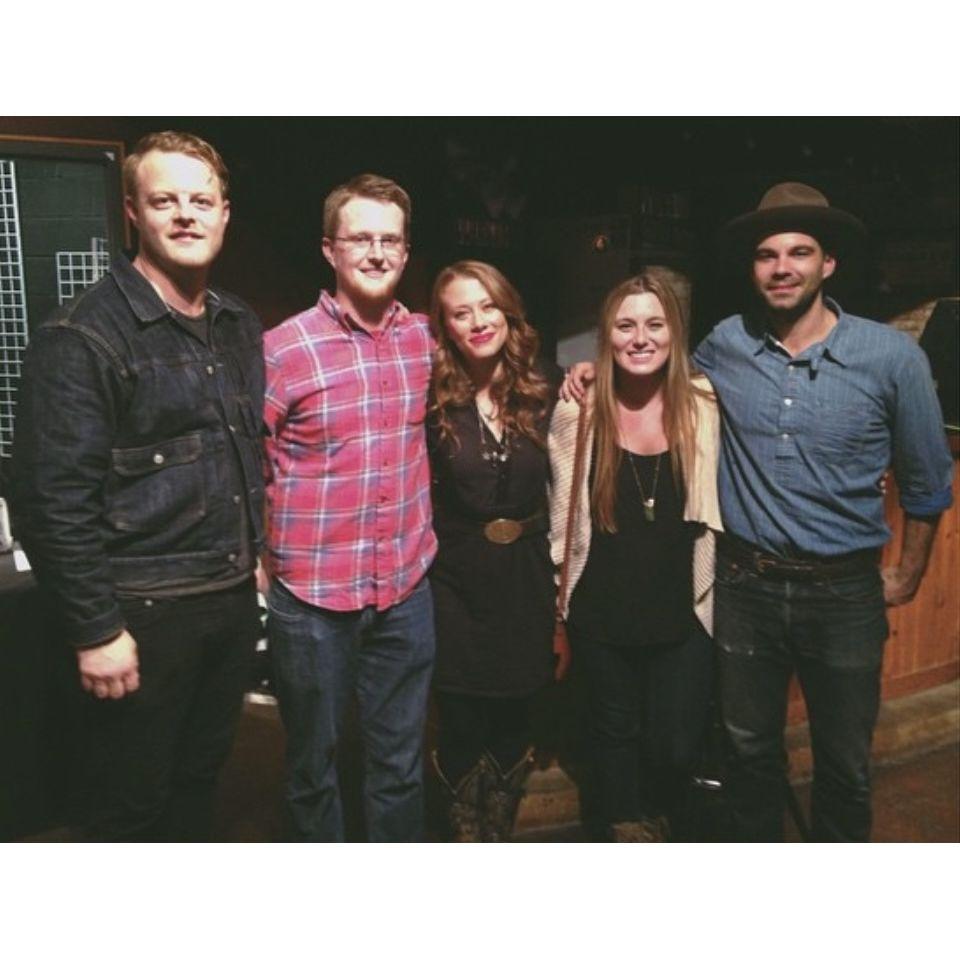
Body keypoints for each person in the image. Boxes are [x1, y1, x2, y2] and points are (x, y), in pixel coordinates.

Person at [12, 131, 265, 841]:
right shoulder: (83, 336)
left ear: (223, 213)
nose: (185, 214)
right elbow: (50, 500)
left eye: (200, 199)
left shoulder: (237, 324)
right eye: (164, 201)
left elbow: (243, 456)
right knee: (126, 805)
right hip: (141, 618)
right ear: (133, 212)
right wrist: (97, 630)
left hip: (226, 601)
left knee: (198, 782)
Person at [694, 182, 953, 841]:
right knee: (748, 751)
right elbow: (660, 390)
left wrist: (910, 572)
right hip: (745, 585)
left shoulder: (892, 357)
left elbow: (928, 480)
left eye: (799, 251)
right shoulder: (726, 343)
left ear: (827, 264)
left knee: (844, 765)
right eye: (767, 254)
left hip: (844, 592)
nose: (782, 267)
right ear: (752, 269)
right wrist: (590, 376)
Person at [262, 174, 436, 842]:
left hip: (405, 591)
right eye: (360, 238)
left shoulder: (424, 340)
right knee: (315, 767)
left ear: (406, 251)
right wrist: (259, 561)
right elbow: (249, 459)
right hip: (312, 602)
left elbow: (501, 372)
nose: (375, 252)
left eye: (389, 239)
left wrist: (585, 372)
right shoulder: (283, 349)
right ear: (329, 250)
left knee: (399, 765)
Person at [549, 268, 722, 842]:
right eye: (625, 326)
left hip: (682, 609)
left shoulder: (703, 405)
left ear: (675, 333)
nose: (640, 338)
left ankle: (661, 812)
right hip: (601, 608)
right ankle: (625, 826)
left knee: (675, 742)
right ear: (607, 336)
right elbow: (559, 514)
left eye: (655, 324)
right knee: (612, 730)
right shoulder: (580, 410)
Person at [427, 260, 565, 841]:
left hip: (526, 577)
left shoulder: (549, 385)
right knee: (460, 715)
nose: (478, 321)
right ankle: (462, 833)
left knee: (515, 711)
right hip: (454, 580)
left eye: (488, 307)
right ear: (447, 326)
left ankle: (498, 831)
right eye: (462, 312)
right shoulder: (430, 397)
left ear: (509, 311)